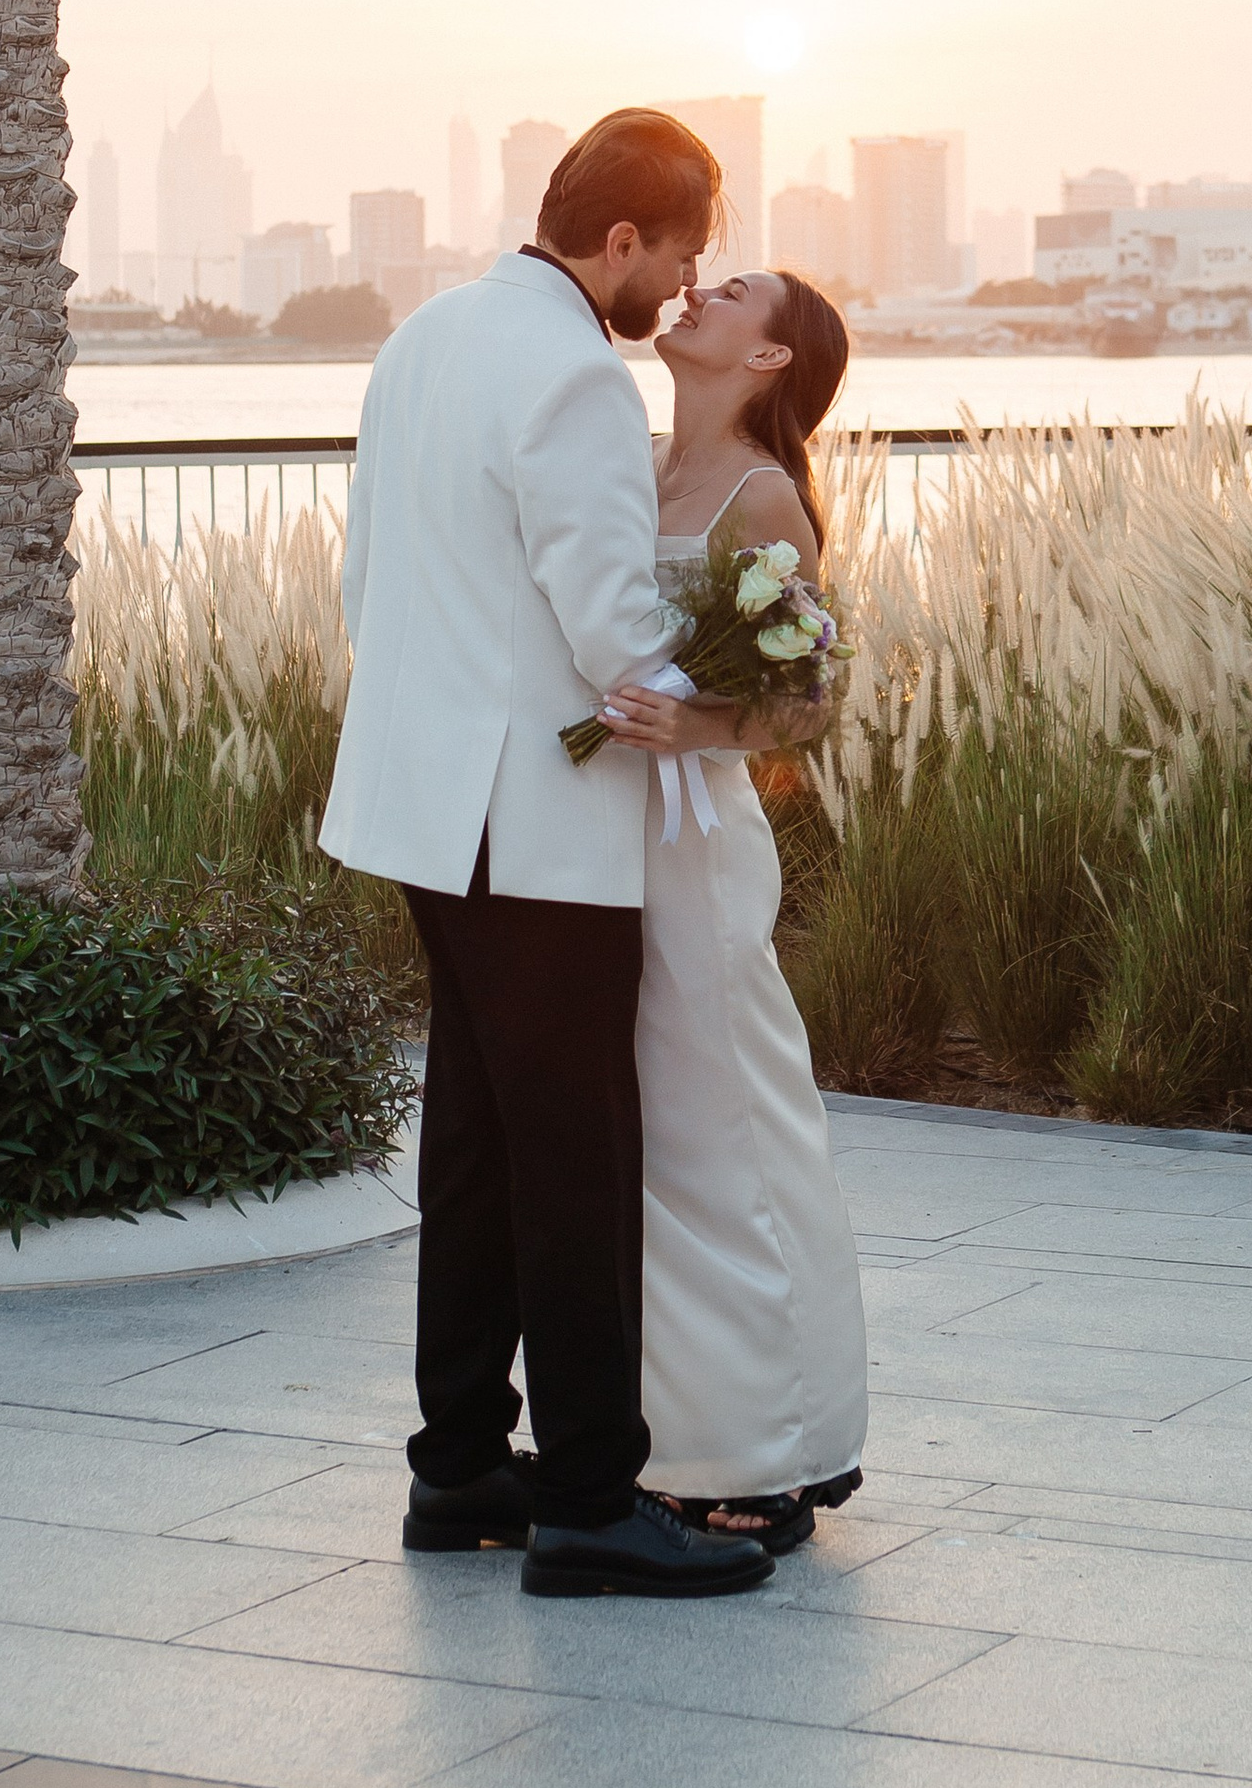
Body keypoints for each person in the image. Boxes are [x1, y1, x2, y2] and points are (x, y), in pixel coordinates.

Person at [318, 107, 774, 1600]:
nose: (683, 285)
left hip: (417, 804)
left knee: (477, 1139)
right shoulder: (576, 373)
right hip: (529, 818)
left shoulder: (425, 338)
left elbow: (364, 576)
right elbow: (607, 621)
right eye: (680, 255)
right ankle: (585, 1496)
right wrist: (724, 699)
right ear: (620, 238)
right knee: (579, 1153)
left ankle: (458, 1465)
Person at [598, 264, 869, 1554]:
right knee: (648, 1141)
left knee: (729, 1128)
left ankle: (774, 1444)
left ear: (771, 359)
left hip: (695, 844)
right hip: (604, 835)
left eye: (737, 292)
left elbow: (805, 701)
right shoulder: (635, 461)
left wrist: (694, 726)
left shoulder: (761, 496)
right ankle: (673, 1430)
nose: (698, 288)